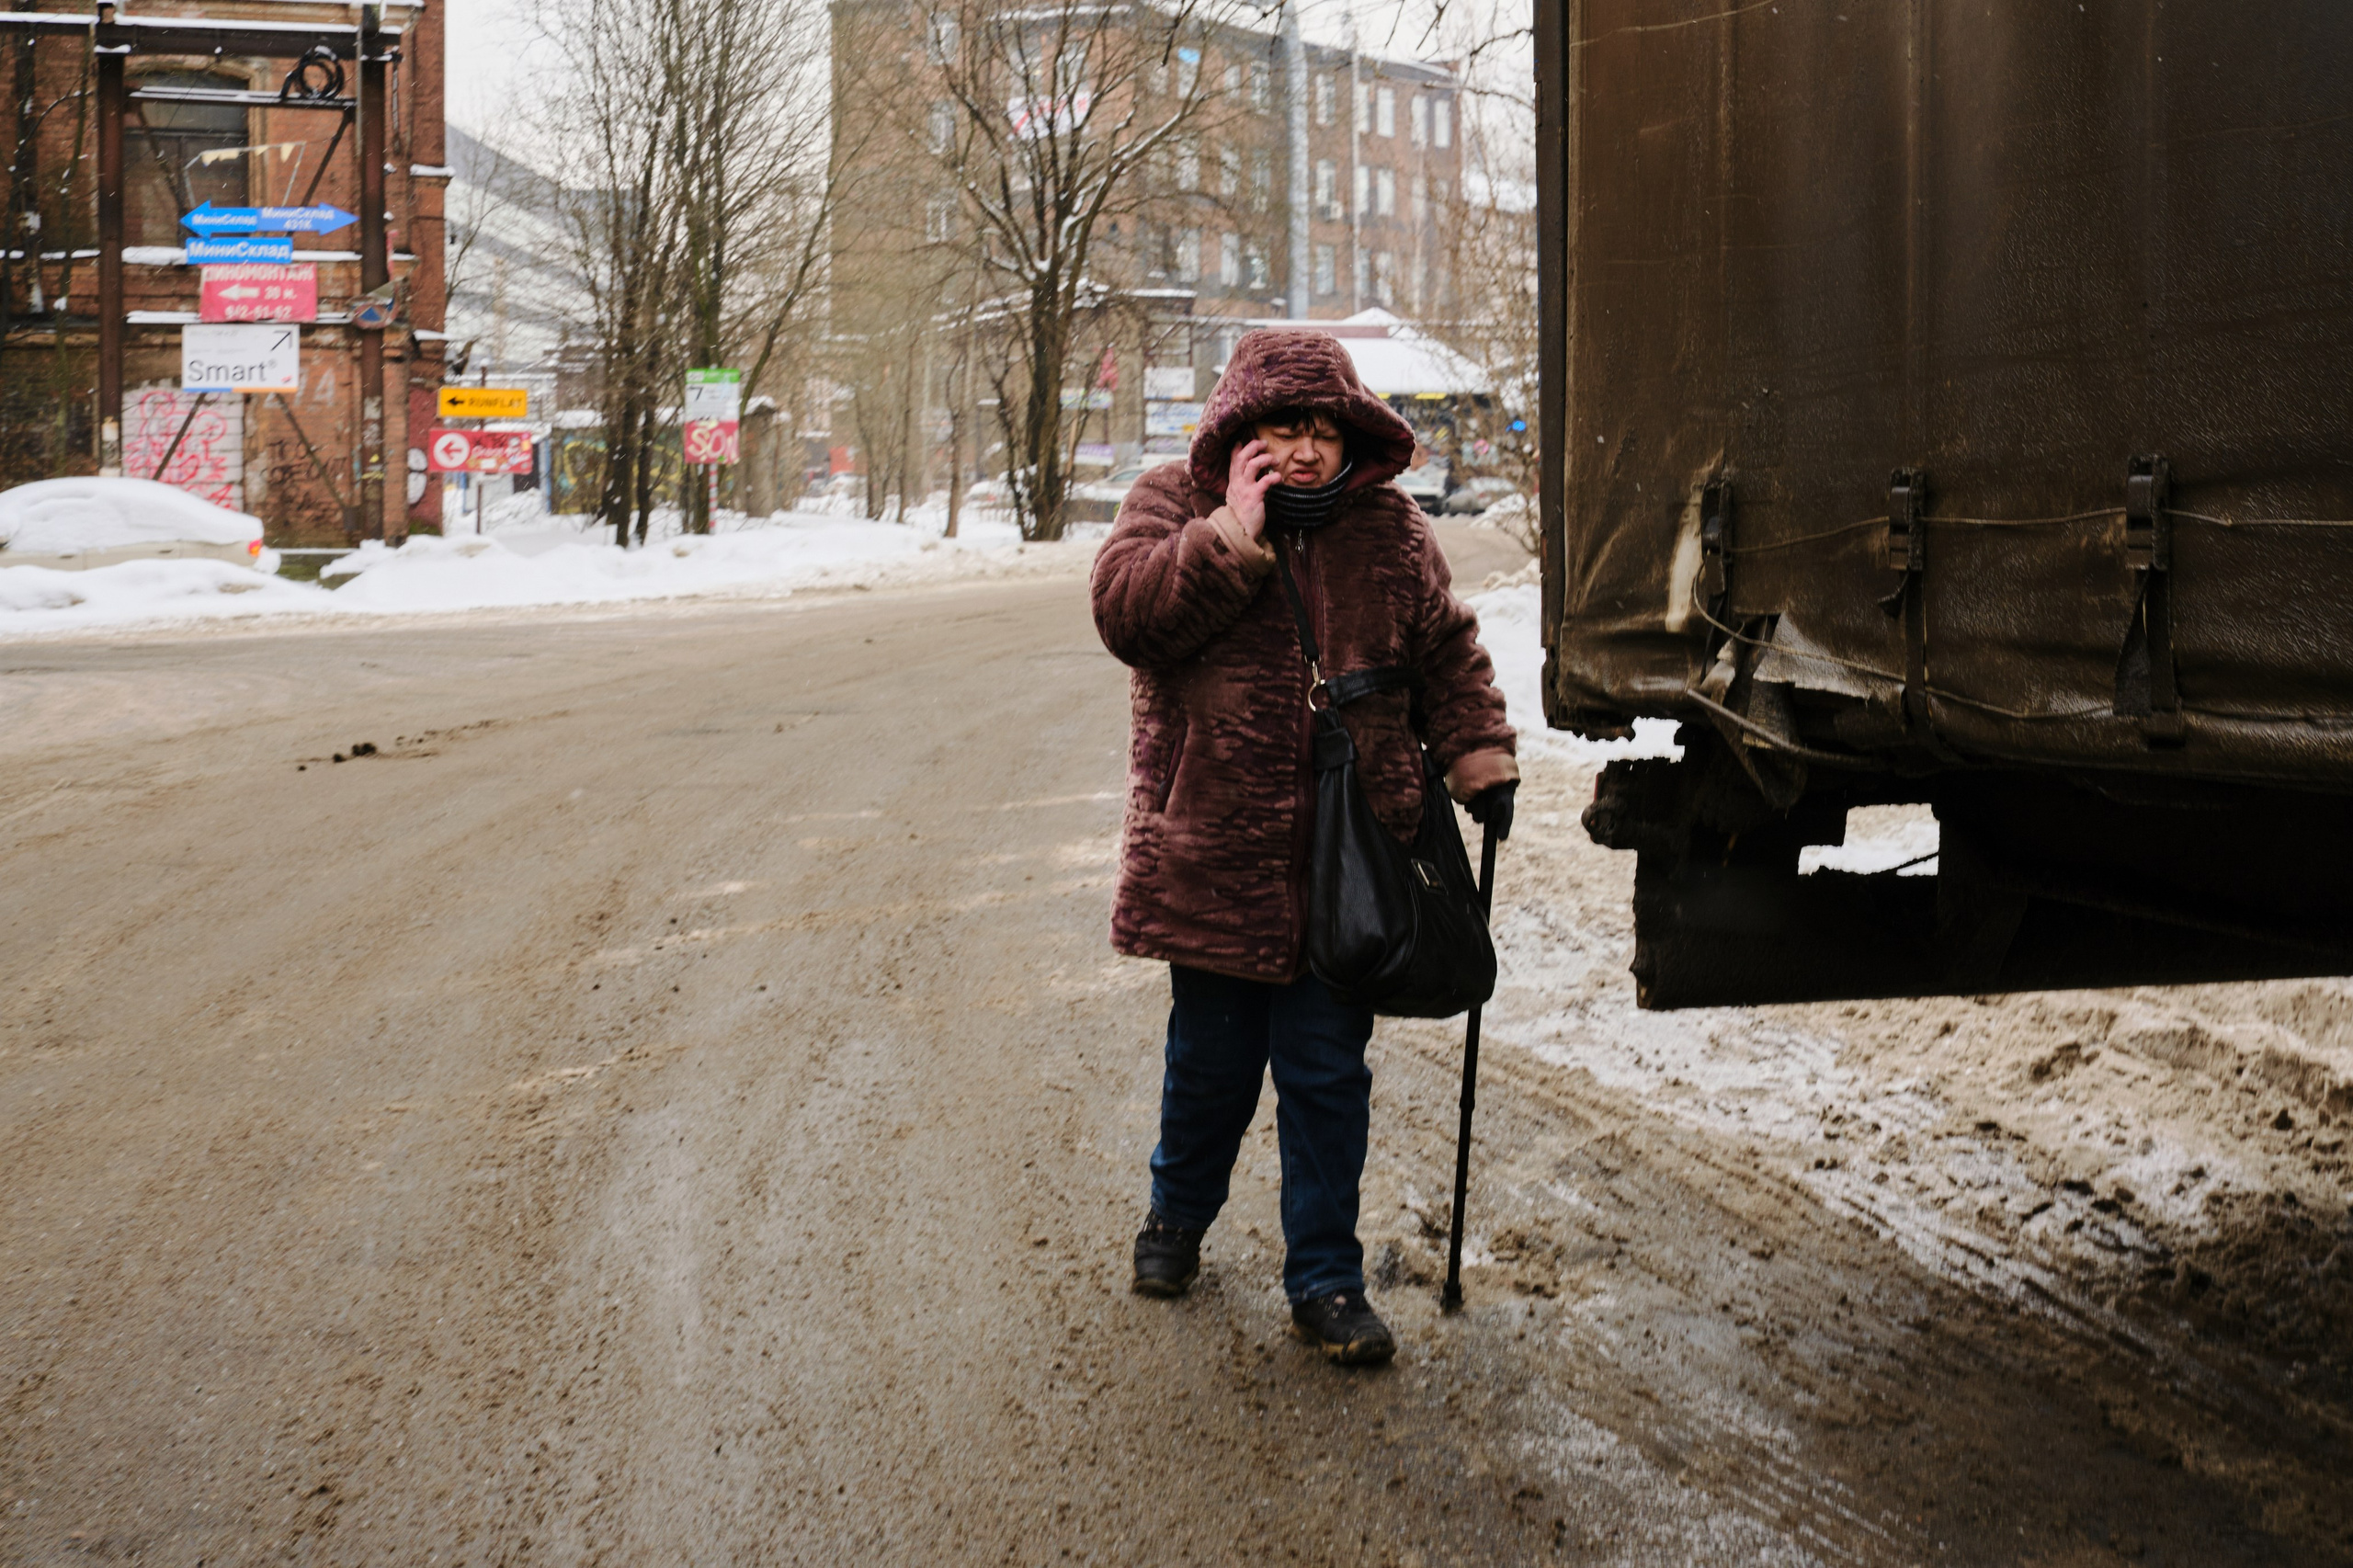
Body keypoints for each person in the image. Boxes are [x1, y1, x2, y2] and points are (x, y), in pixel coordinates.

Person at [1090, 329, 1518, 1365]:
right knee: (1211, 1065)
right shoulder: (1170, 504)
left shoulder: (1392, 531)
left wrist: (1479, 756)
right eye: (1282, 427)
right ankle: (1175, 1218)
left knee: (1327, 1075)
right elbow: (1126, 613)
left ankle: (1324, 1277)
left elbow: (1447, 649)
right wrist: (1231, 534)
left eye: (1323, 429)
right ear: (1238, 430)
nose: (1304, 450)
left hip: (1353, 861)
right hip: (1217, 850)